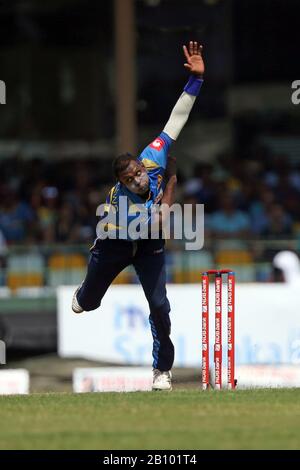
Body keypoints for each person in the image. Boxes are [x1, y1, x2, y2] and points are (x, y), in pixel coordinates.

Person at [72, 41, 205, 391]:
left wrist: (196, 81)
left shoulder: (152, 157)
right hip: (116, 244)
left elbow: (177, 119)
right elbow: (160, 218)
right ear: (121, 182)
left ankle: (162, 371)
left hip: (148, 247)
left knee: (160, 305)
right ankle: (85, 294)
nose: (138, 178)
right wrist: (173, 183)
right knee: (89, 303)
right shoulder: (121, 205)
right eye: (130, 178)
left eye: (137, 172)